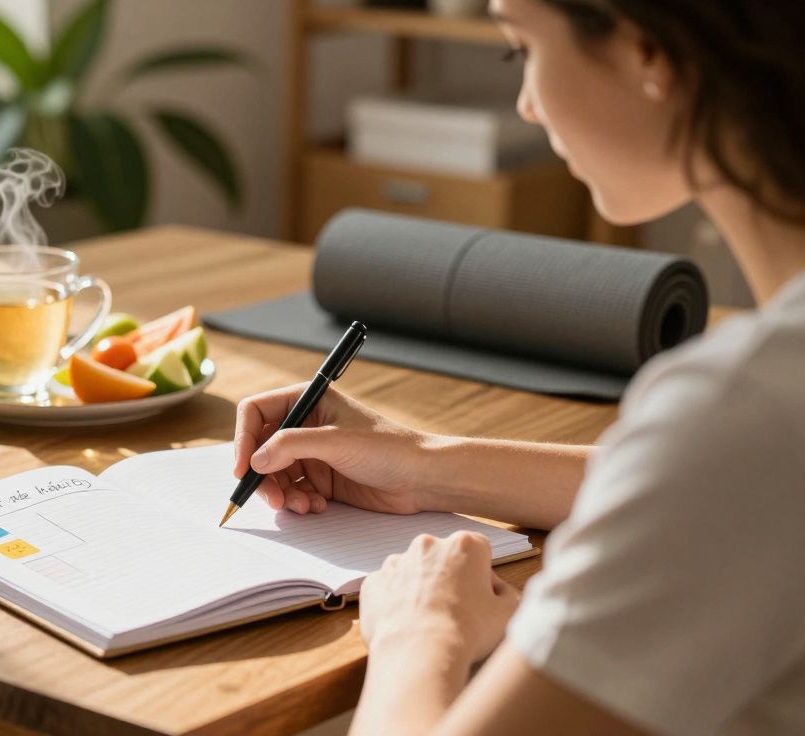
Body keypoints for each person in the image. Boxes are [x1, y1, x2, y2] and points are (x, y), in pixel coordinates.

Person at [233, 1, 805, 733]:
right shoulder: (754, 422)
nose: (527, 104)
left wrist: (421, 633)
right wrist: (425, 460)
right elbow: (725, 492)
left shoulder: (741, 412)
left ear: (646, 51)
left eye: (519, 48)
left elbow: (723, 467)